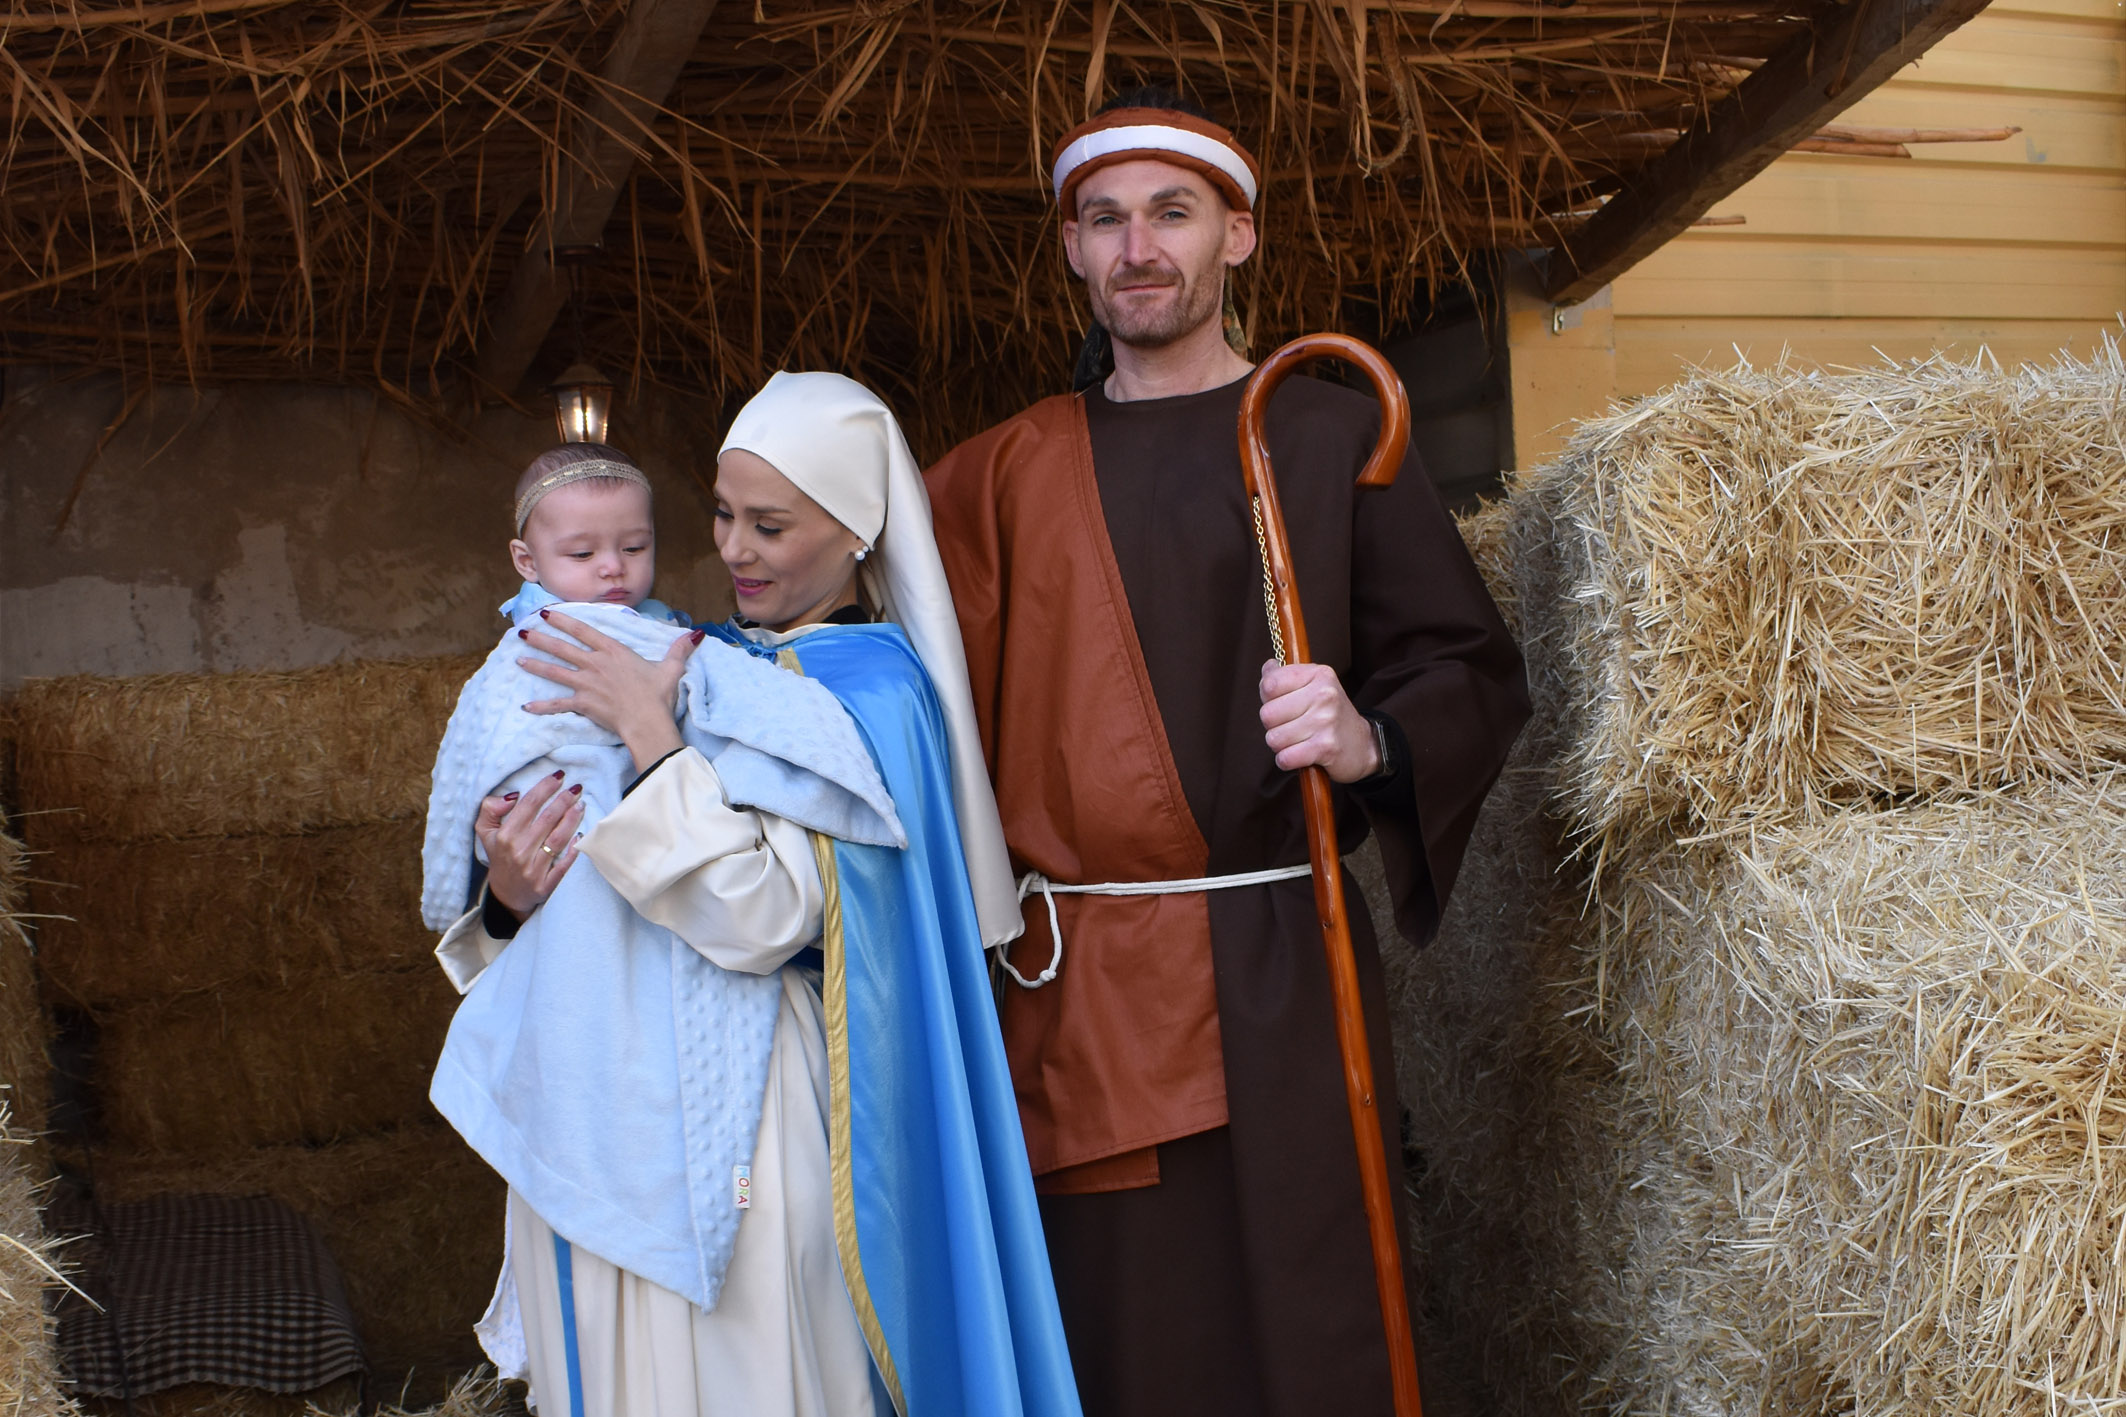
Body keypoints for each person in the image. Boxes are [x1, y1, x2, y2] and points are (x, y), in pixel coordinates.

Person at [922, 88, 1530, 1416]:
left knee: (1310, 1317)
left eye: (1172, 214)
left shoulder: (1328, 435)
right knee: (1128, 1336)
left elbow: (1469, 666)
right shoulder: (995, 476)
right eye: (1104, 219)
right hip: (1075, 988)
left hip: (1278, 961)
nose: (1138, 248)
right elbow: (905, 707)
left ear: (1238, 237)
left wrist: (1368, 738)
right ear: (1074, 250)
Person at [427, 387, 1080, 1417]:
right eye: (723, 513)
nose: (734, 548)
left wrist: (651, 742)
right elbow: (562, 904)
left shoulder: (870, 696)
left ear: (858, 530)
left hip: (745, 1132)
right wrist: (506, 899)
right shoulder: (704, 657)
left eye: (769, 525)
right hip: (601, 1104)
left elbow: (767, 921)